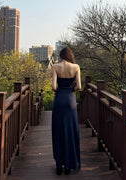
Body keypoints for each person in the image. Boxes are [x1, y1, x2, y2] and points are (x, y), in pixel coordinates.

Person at [51, 47, 81, 175]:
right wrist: (69, 91)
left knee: (58, 131)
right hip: (70, 100)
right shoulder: (76, 67)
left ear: (61, 55)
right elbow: (79, 86)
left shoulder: (55, 67)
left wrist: (61, 91)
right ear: (70, 55)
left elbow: (53, 87)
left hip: (59, 100)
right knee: (70, 131)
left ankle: (59, 165)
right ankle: (68, 165)